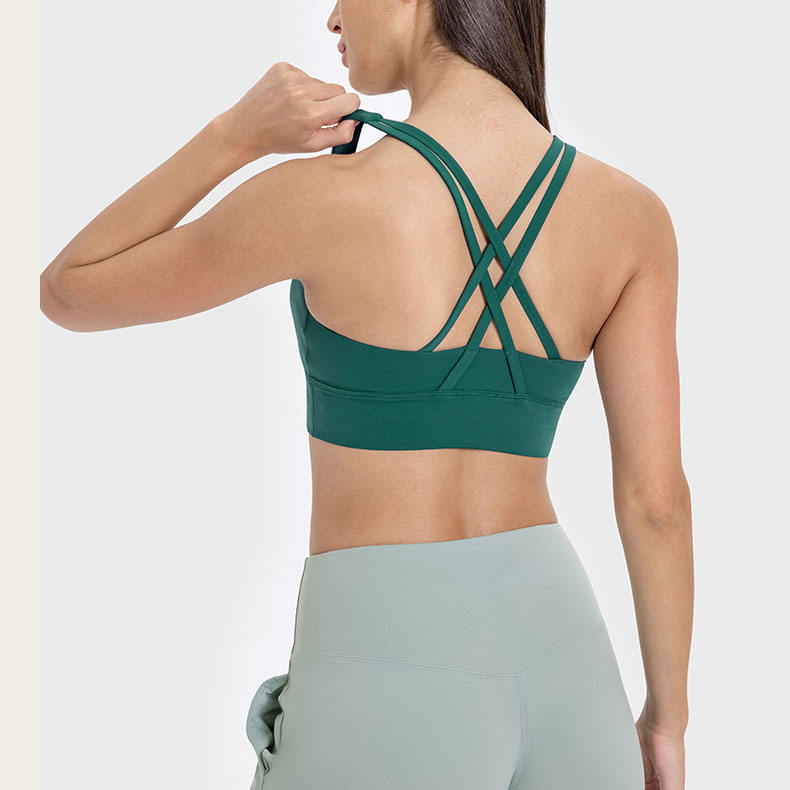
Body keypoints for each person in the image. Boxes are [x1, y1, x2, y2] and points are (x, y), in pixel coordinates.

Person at [40, 1, 693, 788]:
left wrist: (234, 135)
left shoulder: (323, 198)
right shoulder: (630, 217)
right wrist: (666, 720)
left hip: (387, 652)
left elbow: (70, 288)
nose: (331, 17)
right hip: (568, 660)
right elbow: (656, 501)